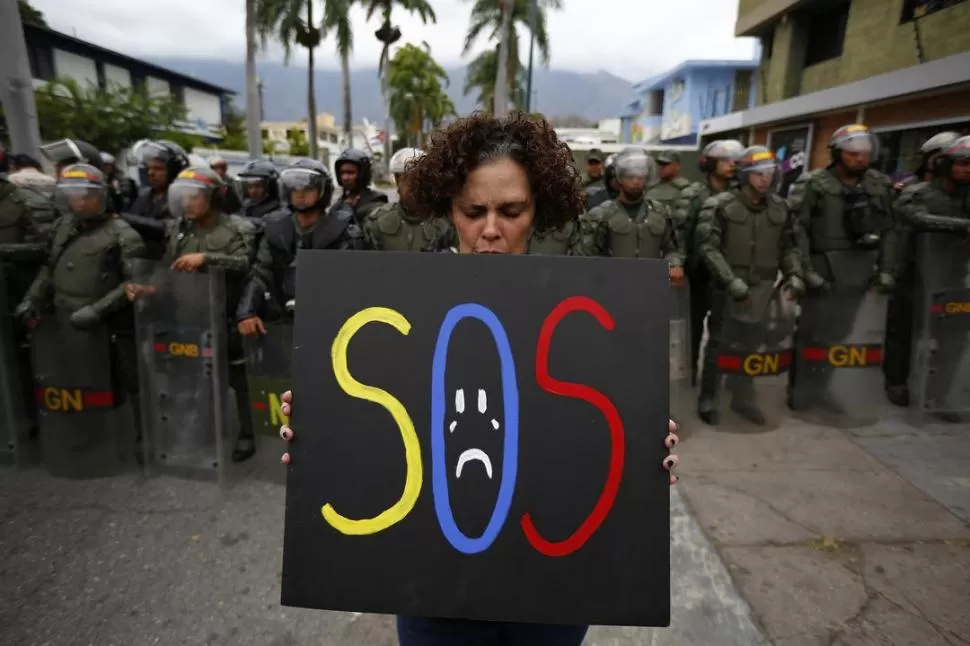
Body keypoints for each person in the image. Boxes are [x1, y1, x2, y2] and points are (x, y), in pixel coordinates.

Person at [275, 112, 679, 646]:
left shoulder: (583, 304)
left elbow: (604, 424)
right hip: (434, 590)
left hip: (553, 590)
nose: (491, 229)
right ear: (449, 208)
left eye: (512, 210)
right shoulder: (399, 302)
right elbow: (376, 420)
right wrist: (319, 431)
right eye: (474, 211)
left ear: (538, 211)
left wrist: (647, 446)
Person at [16, 164, 146, 445]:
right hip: (65, 315)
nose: (79, 201)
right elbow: (50, 269)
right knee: (77, 376)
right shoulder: (63, 226)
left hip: (108, 321)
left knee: (129, 378)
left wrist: (97, 309)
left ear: (101, 197)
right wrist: (32, 298)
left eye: (85, 195)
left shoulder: (123, 234)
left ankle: (142, 437)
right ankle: (90, 431)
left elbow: (135, 283)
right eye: (73, 195)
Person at [786, 124, 895, 415]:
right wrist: (806, 271)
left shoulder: (879, 185)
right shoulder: (813, 184)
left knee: (842, 335)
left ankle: (823, 388)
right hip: (823, 271)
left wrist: (886, 270)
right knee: (813, 334)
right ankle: (802, 387)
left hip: (861, 271)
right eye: (852, 154)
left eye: (864, 154)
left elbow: (889, 231)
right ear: (837, 153)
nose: (860, 159)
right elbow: (798, 232)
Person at [694, 146, 803, 425]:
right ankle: (709, 397)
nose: (764, 180)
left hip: (765, 288)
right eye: (757, 174)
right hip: (728, 287)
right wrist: (731, 281)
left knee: (753, 345)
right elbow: (708, 247)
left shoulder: (781, 208)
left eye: (769, 174)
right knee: (719, 343)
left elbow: (789, 247)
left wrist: (794, 274)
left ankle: (743, 397)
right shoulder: (719, 205)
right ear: (744, 175)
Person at [236, 159, 366, 337]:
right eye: (294, 189)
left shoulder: (342, 231)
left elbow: (351, 284)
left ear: (323, 191)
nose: (300, 195)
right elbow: (260, 272)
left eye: (308, 189)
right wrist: (246, 313)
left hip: (330, 324)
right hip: (282, 323)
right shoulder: (276, 228)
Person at [892, 135, 970, 420]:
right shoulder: (921, 191)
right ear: (944, 164)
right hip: (916, 273)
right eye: (962, 163)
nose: (967, 170)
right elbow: (911, 214)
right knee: (903, 332)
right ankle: (897, 382)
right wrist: (961, 226)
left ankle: (940, 394)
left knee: (954, 339)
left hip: (954, 277)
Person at [676, 139, 744, 385]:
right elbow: (680, 235)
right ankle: (688, 377)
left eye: (736, 162)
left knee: (727, 333)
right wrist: (680, 269)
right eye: (725, 161)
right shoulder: (693, 195)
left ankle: (717, 383)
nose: (731, 166)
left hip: (729, 276)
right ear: (710, 163)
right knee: (691, 332)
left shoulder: (741, 196)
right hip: (698, 276)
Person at [572, 148, 684, 281]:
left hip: (652, 284)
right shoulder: (601, 214)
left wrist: (674, 264)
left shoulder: (661, 212)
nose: (636, 182)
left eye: (640, 177)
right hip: (612, 285)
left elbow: (672, 249)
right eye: (630, 177)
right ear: (620, 178)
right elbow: (588, 256)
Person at [363, 147, 453, 252]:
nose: (414, 187)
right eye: (408, 180)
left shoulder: (444, 225)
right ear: (397, 181)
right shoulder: (376, 223)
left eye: (419, 181)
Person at [124, 140, 190, 259]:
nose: (151, 173)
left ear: (174, 171)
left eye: (158, 169)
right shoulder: (145, 195)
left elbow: (167, 228)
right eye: (149, 168)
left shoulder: (184, 198)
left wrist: (122, 217)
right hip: (141, 263)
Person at [333, 148, 388, 226]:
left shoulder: (376, 204)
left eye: (350, 172)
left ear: (363, 174)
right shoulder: (339, 203)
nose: (345, 177)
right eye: (342, 173)